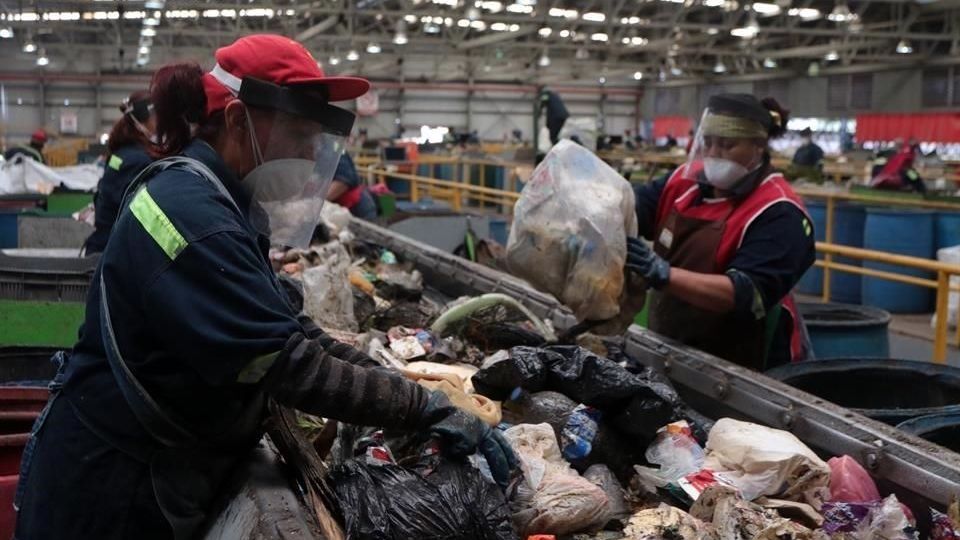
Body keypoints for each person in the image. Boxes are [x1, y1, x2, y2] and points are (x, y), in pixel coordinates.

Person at [15, 34, 515, 540]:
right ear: (238, 120)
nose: (313, 151)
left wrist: (415, 394)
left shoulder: (219, 198)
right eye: (301, 133)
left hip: (154, 464)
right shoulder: (191, 214)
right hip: (110, 488)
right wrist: (419, 408)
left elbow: (290, 329)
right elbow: (288, 365)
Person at [626, 94, 815, 371]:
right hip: (674, 349)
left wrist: (664, 274)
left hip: (749, 366)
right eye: (709, 143)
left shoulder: (779, 210)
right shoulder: (683, 184)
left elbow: (745, 293)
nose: (714, 153)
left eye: (727, 145)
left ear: (759, 146)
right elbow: (631, 211)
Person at [82, 91, 156, 254]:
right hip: (114, 253)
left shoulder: (122, 153)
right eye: (157, 118)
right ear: (141, 121)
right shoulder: (139, 161)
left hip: (103, 246)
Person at [328, 151, 377, 220]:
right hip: (339, 210)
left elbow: (343, 182)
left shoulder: (331, 149)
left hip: (357, 209)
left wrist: (316, 202)